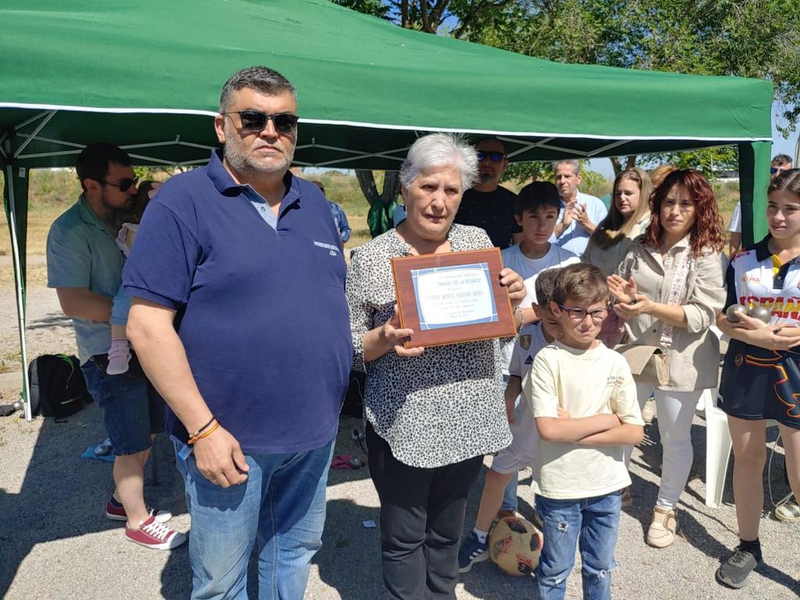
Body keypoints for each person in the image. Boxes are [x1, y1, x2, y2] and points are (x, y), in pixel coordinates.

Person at [124, 66, 352, 599]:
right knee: (221, 583)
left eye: (285, 121)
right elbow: (147, 326)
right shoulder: (182, 202)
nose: (271, 131)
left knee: (291, 558)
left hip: (312, 436)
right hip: (227, 442)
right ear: (222, 127)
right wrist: (202, 431)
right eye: (253, 119)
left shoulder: (316, 204)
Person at [346, 132, 527, 600]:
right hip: (404, 424)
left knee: (447, 534)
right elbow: (346, 347)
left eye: (451, 190)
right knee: (405, 538)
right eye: (428, 187)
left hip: (470, 418)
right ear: (405, 187)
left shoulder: (476, 242)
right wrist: (384, 339)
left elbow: (502, 330)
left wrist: (514, 300)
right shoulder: (370, 257)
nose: (438, 201)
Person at [46, 144, 184, 550]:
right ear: (91, 185)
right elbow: (74, 301)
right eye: (124, 184)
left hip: (144, 346)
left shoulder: (127, 218)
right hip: (108, 354)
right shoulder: (69, 232)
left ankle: (123, 501)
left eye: (133, 182)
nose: (131, 190)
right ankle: (137, 521)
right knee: (131, 441)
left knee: (146, 433)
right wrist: (139, 316)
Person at [608, 169, 726, 547]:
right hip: (637, 351)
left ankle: (665, 508)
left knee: (674, 437)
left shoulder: (706, 254)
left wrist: (652, 307)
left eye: (685, 204)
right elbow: (624, 299)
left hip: (683, 358)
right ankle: (618, 489)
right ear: (656, 207)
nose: (675, 211)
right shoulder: (639, 247)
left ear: (699, 209)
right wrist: (624, 303)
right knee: (624, 425)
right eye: (668, 203)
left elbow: (702, 314)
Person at [528, 263, 644, 600]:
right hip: (561, 487)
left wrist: (572, 428)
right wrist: (607, 420)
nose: (588, 321)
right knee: (554, 569)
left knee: (601, 567)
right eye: (576, 312)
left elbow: (634, 431)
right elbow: (548, 429)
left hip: (607, 485)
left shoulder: (614, 362)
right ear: (556, 311)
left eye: (596, 311)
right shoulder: (548, 360)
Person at [715, 169, 800, 589]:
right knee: (748, 460)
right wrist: (754, 333)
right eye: (772, 207)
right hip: (747, 367)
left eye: (790, 209)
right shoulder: (743, 260)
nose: (778, 217)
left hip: (796, 372)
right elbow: (723, 317)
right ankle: (748, 545)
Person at [457, 269, 561, 573]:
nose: (558, 329)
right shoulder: (527, 337)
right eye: (551, 321)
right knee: (494, 480)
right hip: (520, 429)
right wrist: (508, 396)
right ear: (537, 311)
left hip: (552, 439)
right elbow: (516, 373)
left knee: (554, 496)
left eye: (563, 320)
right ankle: (478, 536)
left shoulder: (575, 345)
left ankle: (555, 553)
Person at [583, 168, 653, 349]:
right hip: (599, 308)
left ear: (643, 193)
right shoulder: (605, 227)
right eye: (618, 193)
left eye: (628, 193)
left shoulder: (651, 227)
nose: (622, 198)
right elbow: (586, 264)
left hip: (633, 314)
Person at [107, 181, 161, 375]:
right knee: (121, 307)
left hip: (156, 280)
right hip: (137, 279)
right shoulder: (133, 229)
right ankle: (118, 349)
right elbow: (140, 252)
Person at [453, 137, 522, 249]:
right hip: (460, 264)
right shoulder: (454, 198)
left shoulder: (514, 203)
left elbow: (520, 248)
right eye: (481, 155)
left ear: (504, 164)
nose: (487, 162)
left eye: (495, 157)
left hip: (503, 264)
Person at [728, 154, 793, 257]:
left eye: (784, 172)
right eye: (773, 170)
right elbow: (735, 239)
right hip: (754, 262)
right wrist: (732, 267)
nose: (777, 174)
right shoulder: (747, 202)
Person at [552, 159, 608, 256]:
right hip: (559, 268)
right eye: (558, 177)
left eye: (567, 176)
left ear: (578, 178)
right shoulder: (548, 207)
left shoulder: (595, 204)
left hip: (590, 267)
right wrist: (562, 225)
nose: (562, 181)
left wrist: (587, 224)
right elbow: (540, 242)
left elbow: (608, 241)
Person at [315, 180, 351, 247]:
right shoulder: (303, 209)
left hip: (333, 248)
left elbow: (346, 228)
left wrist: (341, 241)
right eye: (315, 190)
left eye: (321, 189)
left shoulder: (335, 208)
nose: (319, 192)